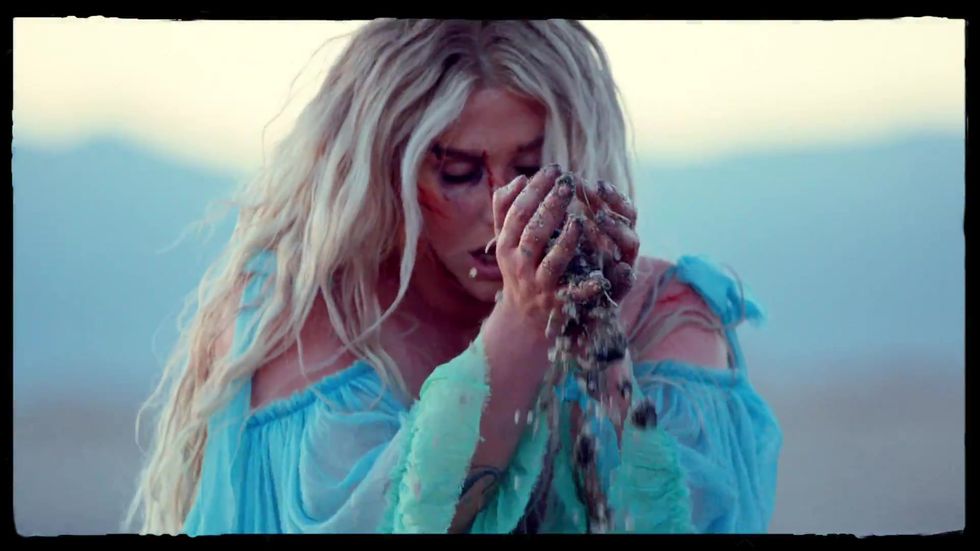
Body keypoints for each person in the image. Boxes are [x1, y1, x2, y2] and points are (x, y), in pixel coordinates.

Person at [126, 19, 782, 534]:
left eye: (531, 170)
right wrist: (523, 321)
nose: (500, 210)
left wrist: (596, 344)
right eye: (460, 173)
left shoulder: (669, 315)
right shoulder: (306, 320)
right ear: (388, 171)